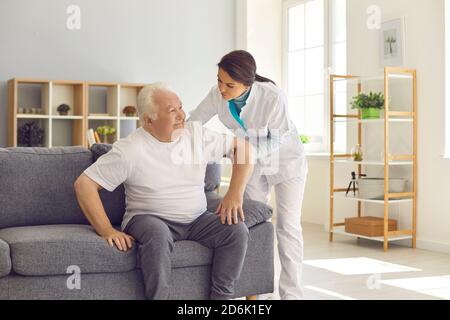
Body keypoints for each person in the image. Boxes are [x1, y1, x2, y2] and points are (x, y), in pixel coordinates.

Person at [74, 83, 254, 300]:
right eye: (172, 111)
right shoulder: (130, 149)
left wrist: (234, 193)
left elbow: (243, 148)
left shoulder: (195, 134)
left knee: (236, 230)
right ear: (148, 121)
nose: (182, 115)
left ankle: (221, 299)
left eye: (180, 107)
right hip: (148, 218)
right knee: (157, 235)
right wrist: (106, 230)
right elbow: (84, 184)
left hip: (197, 220)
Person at [189, 50, 308, 300]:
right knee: (252, 223)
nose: (222, 88)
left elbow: (276, 139)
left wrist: (243, 152)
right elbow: (194, 121)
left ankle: (292, 295)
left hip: (287, 162)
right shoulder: (217, 94)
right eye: (219, 80)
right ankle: (259, 292)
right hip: (252, 163)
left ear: (248, 84)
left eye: (229, 84)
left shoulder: (272, 97)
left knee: (288, 227)